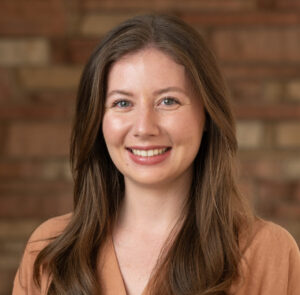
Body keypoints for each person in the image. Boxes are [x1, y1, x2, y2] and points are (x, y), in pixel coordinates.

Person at [13, 14, 300, 295]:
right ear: (98, 120)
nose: (144, 127)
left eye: (168, 101)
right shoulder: (49, 250)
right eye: (122, 102)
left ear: (208, 116)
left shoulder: (269, 253)